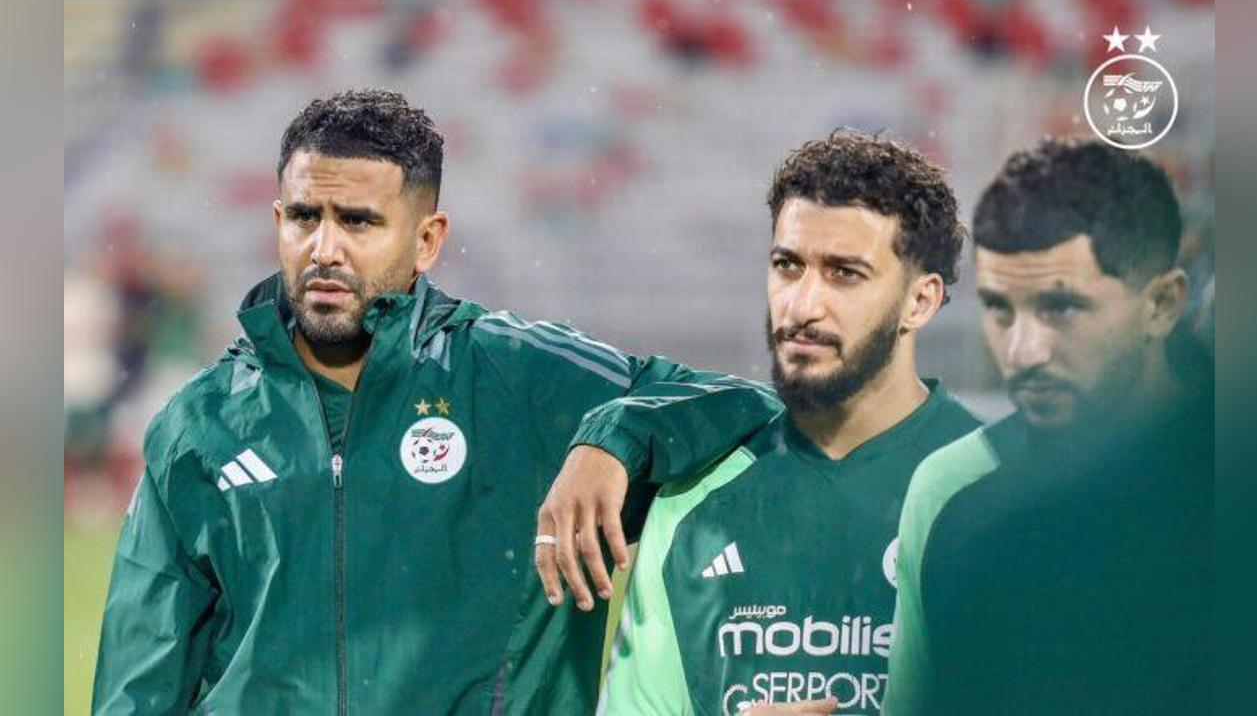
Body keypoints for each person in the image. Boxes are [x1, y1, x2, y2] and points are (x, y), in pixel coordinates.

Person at [91, 88, 780, 715]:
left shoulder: (522, 377)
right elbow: (138, 682)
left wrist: (613, 438)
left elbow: (755, 411)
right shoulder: (200, 424)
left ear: (427, 240)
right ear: (278, 220)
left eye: (357, 222)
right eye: (304, 217)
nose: (324, 249)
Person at [557, 130, 980, 715]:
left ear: (920, 301)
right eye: (788, 265)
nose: (802, 306)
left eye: (845, 273)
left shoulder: (1000, 486)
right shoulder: (692, 501)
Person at [883, 137, 1212, 715]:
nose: (1024, 351)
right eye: (999, 308)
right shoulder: (951, 490)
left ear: (1162, 305)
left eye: (1061, 308)